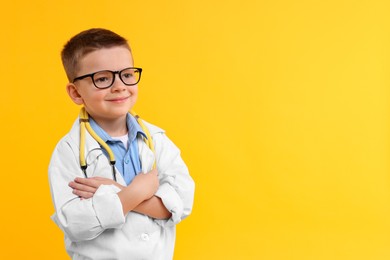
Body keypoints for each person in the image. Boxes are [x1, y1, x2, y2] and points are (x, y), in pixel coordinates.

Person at [48, 28, 195, 260]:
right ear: (76, 93)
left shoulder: (156, 139)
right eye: (103, 78)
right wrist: (136, 193)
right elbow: (75, 223)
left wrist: (117, 192)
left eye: (127, 74)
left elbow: (181, 203)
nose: (119, 86)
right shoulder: (69, 151)